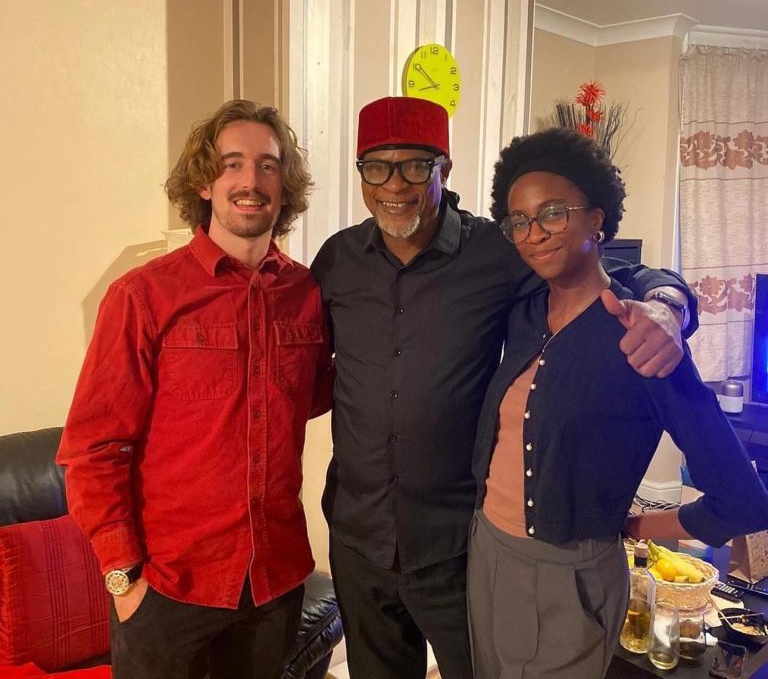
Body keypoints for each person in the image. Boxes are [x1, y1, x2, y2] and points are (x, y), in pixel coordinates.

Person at [310, 96, 698, 679]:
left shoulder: (496, 250)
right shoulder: (339, 258)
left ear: (444, 168)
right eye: (377, 167)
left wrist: (668, 301)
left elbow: (605, 272)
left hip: (456, 541)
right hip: (357, 536)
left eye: (415, 165)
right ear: (361, 172)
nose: (394, 184)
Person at [468, 127, 768, 679]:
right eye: (520, 221)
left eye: (553, 213)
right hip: (486, 549)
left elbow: (743, 502)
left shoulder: (644, 337)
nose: (535, 233)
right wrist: (669, 292)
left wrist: (633, 527)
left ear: (596, 219)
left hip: (567, 578)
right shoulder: (526, 308)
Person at [57, 100, 333, 679]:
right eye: (232, 164)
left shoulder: (307, 294)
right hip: (167, 589)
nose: (250, 181)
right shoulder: (142, 296)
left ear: (284, 185)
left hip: (275, 581)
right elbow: (92, 448)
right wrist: (123, 578)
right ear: (205, 183)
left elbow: (312, 397)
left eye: (267, 165)